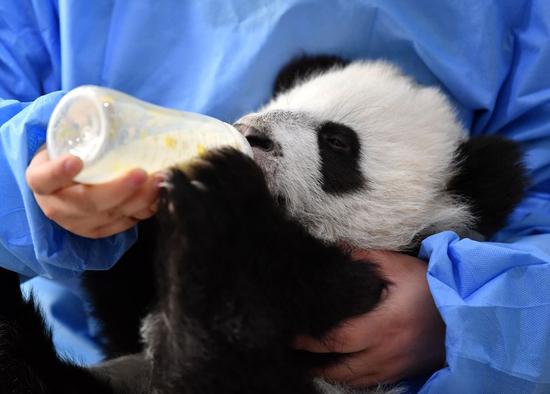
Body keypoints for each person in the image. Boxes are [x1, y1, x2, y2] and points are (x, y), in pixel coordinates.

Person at [1, 1, 549, 393]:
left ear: (456, 197)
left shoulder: (521, 23)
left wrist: (462, 313)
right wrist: (47, 174)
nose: (255, 127)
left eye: (336, 143)